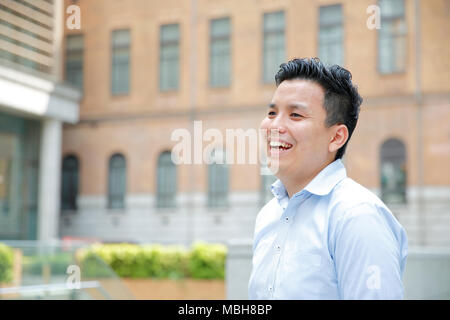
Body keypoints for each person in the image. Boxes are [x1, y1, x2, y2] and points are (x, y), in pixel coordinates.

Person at [248, 58, 408, 299]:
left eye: (295, 115)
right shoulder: (268, 216)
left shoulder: (357, 216)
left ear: (336, 137)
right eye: (272, 112)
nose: (274, 126)